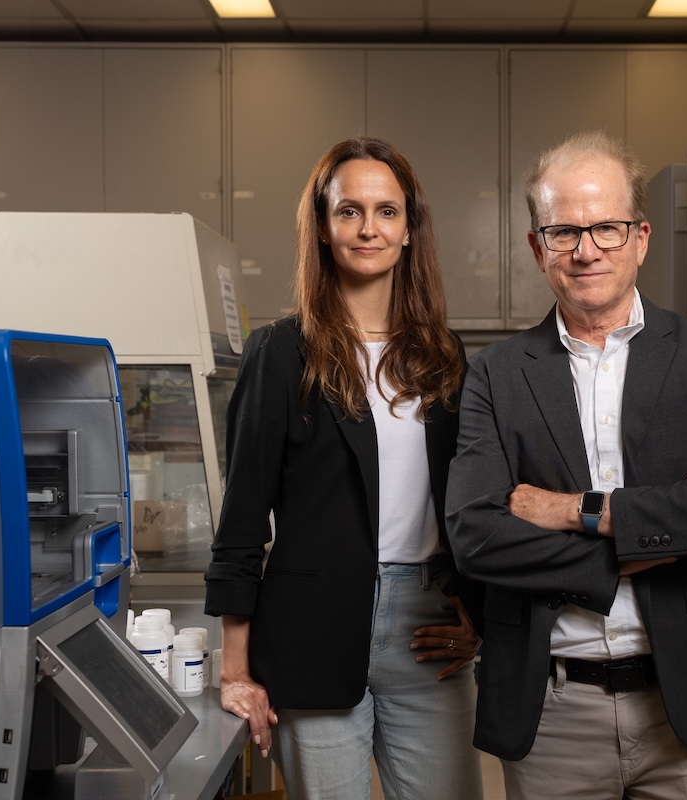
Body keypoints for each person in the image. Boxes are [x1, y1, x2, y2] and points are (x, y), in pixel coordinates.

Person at [445, 130, 687, 799]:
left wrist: (576, 511)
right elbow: (475, 535)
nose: (587, 248)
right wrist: (640, 546)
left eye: (606, 227)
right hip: (552, 709)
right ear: (539, 248)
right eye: (564, 231)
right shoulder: (495, 374)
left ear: (641, 237)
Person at [205, 136, 483, 800]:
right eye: (348, 211)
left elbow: (472, 504)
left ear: (410, 229)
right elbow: (243, 519)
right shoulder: (279, 352)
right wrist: (236, 671)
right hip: (311, 626)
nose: (368, 228)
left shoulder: (443, 357)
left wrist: (475, 611)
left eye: (387, 212)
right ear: (324, 228)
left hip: (426, 625)